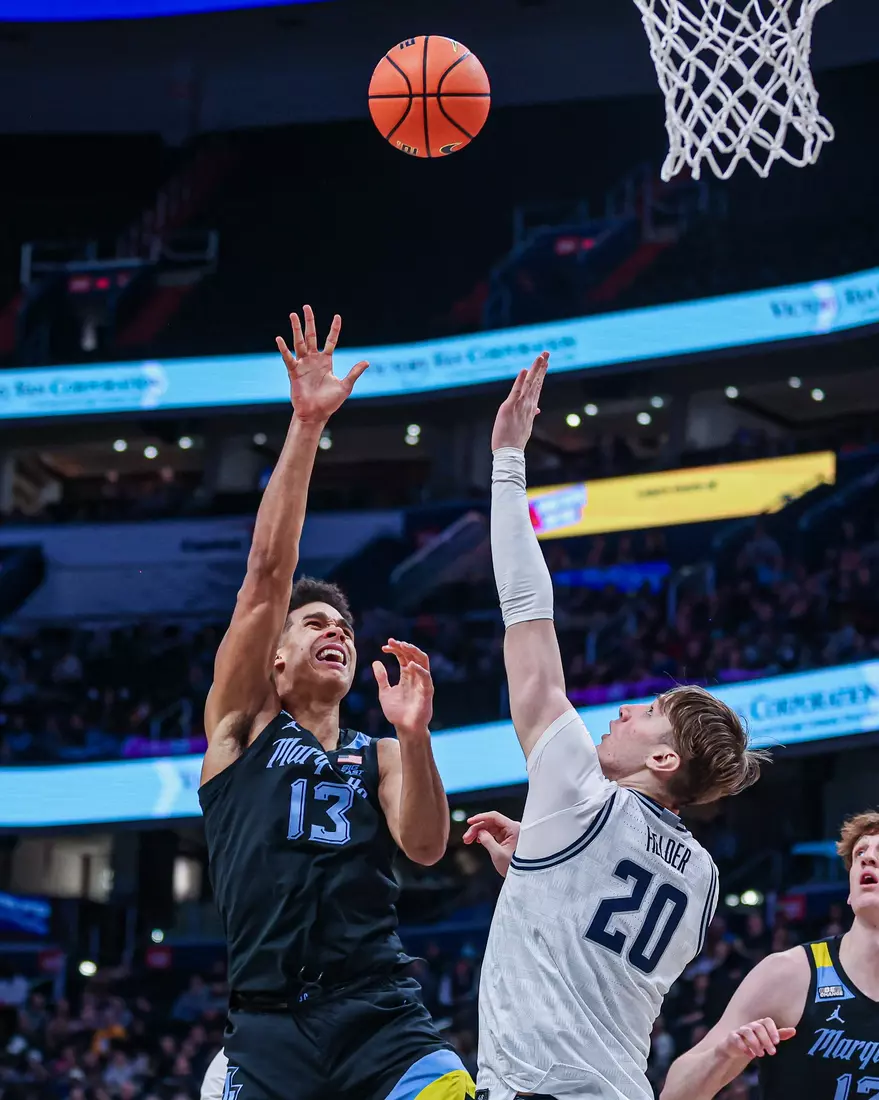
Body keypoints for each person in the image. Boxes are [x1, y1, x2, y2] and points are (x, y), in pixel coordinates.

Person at [468, 352, 769, 1100]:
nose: (624, 711)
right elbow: (600, 943)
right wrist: (538, 860)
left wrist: (507, 460)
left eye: (647, 714)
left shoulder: (578, 789)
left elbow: (525, 610)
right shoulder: (701, 879)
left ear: (665, 759)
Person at [198, 307, 474, 1100]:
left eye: (346, 626)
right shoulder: (241, 727)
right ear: (275, 657)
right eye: (315, 622)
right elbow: (265, 573)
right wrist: (306, 424)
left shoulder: (379, 753)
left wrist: (415, 737)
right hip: (266, 1025)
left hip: (381, 1014)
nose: (338, 632)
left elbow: (425, 847)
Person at [660, 809, 879, 1100]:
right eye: (860, 851)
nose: (868, 857)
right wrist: (725, 1055)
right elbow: (674, 1095)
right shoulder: (789, 974)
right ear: (850, 892)